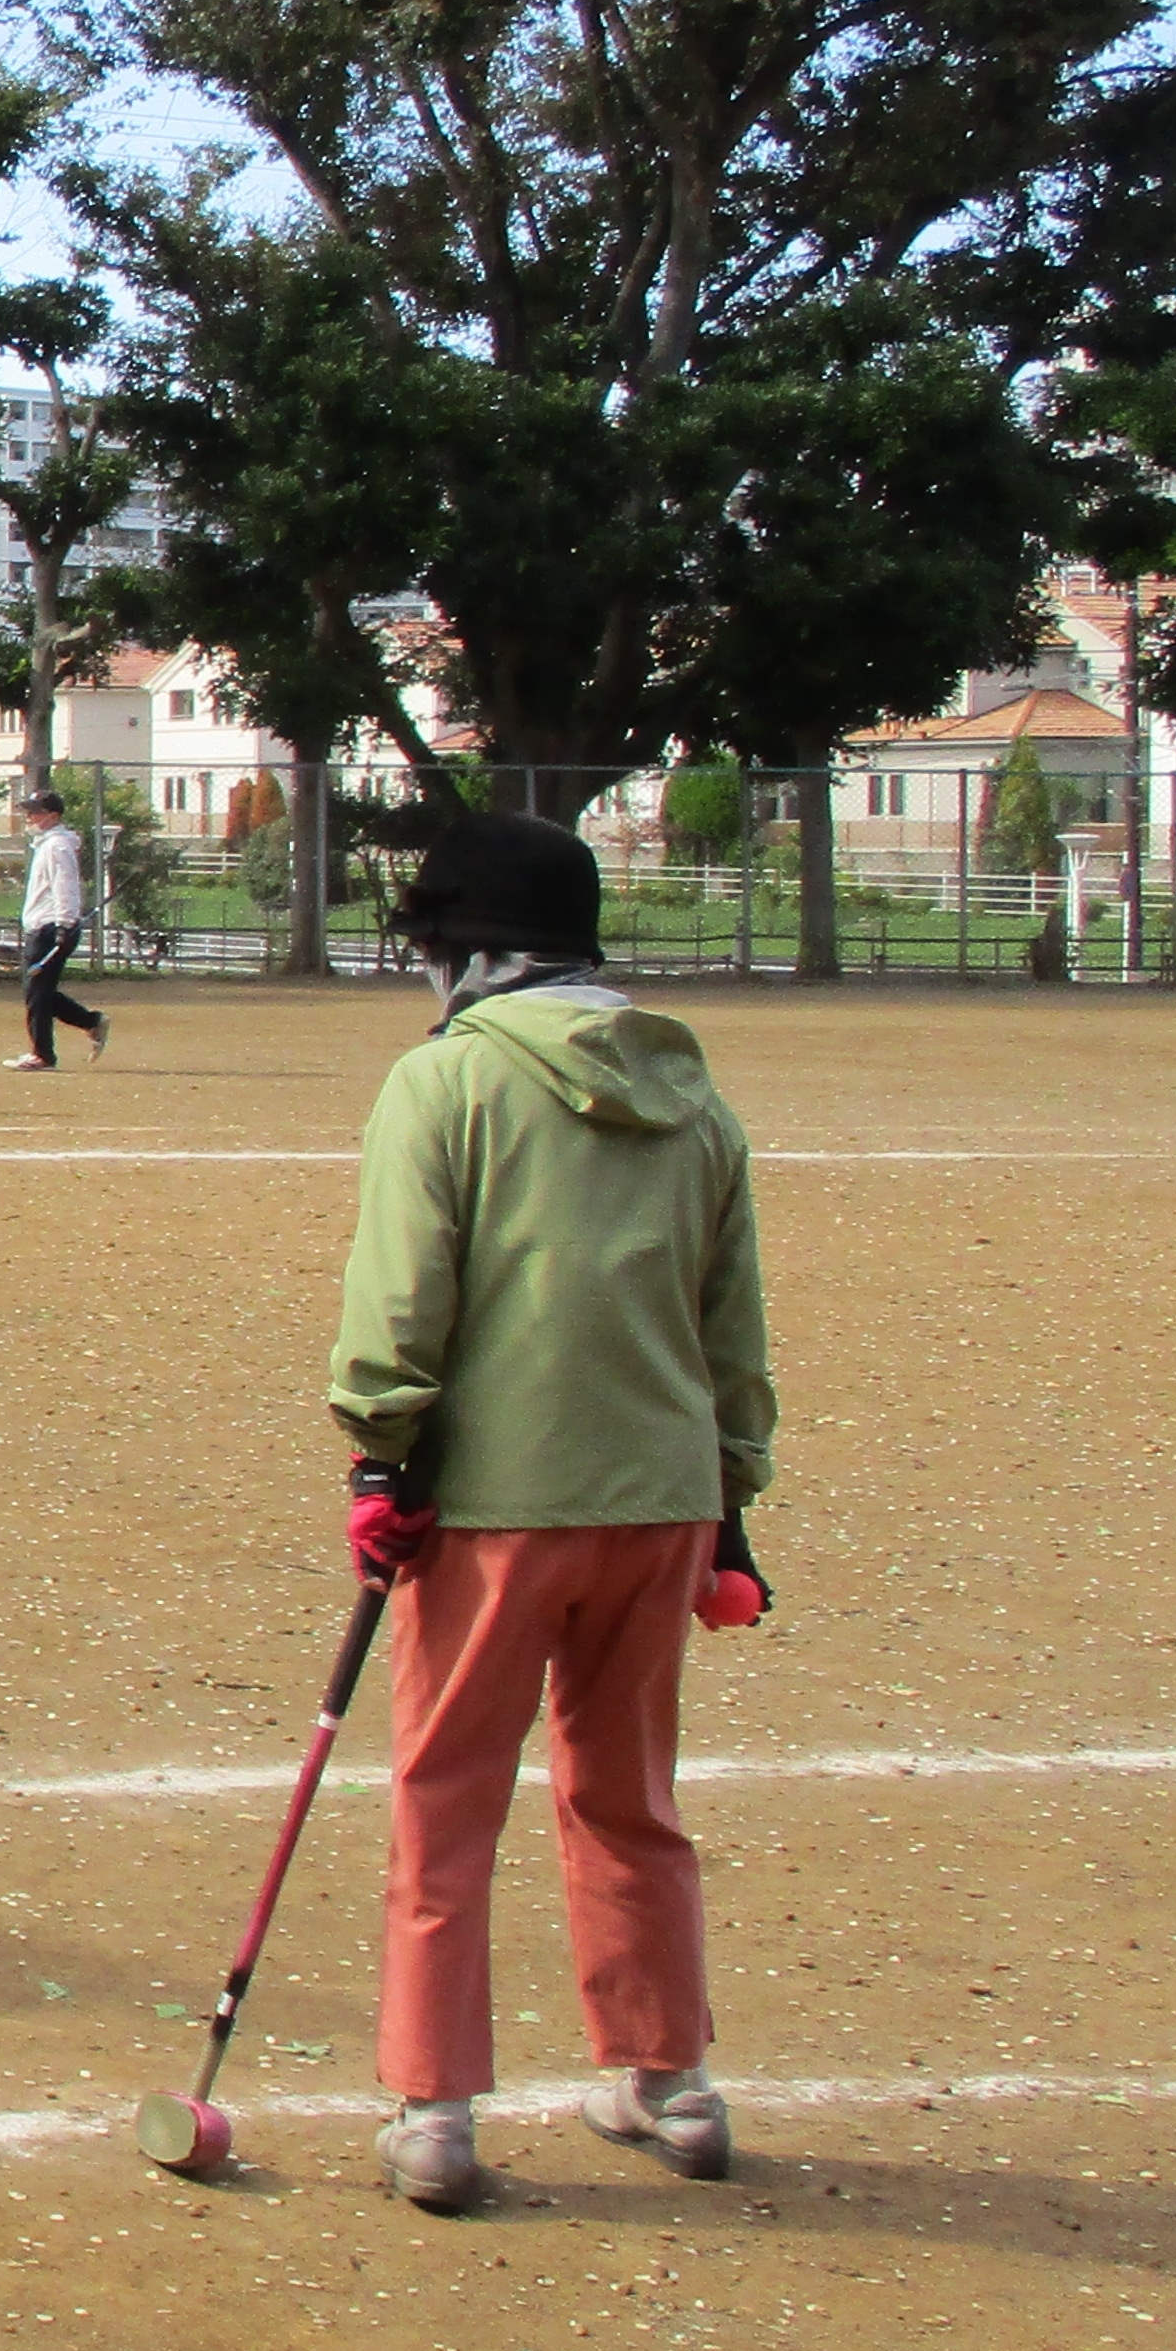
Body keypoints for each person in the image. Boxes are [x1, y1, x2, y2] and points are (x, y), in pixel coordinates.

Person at [329, 808, 773, 2217]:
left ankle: (436, 2106)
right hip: (661, 1501)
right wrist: (734, 1495)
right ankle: (666, 2078)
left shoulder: (443, 1083)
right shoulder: (695, 1097)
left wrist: (380, 1455)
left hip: (496, 1504)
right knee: (629, 1794)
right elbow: (731, 1328)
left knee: (448, 1797)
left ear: (466, 954)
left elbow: (401, 1304)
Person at [5, 786, 109, 1070]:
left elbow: (65, 888)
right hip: (43, 925)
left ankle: (43, 1054)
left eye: (35, 812)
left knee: (36, 992)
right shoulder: (47, 845)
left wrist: (64, 924)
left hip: (50, 928)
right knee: (40, 991)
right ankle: (91, 1022)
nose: (29, 817)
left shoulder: (56, 846)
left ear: (52, 815)